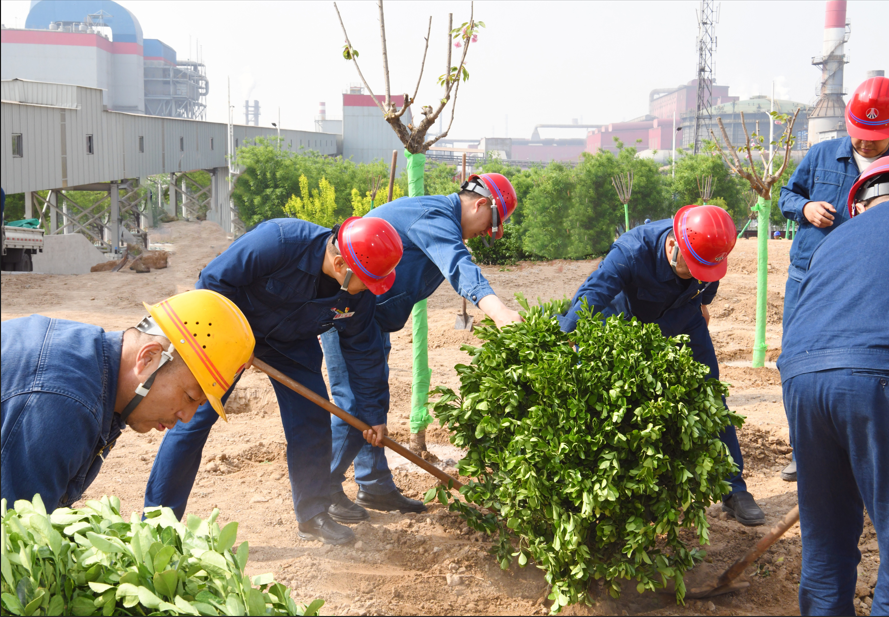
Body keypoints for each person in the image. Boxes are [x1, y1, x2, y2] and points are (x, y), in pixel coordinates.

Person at [145, 217, 403, 546]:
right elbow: (213, 282)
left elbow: (364, 352)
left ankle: (313, 514)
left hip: (292, 345)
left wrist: (373, 414)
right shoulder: (279, 241)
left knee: (312, 420)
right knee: (193, 419)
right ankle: (157, 526)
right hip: (229, 333)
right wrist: (234, 343)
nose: (369, 289)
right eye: (367, 282)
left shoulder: (359, 296)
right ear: (340, 264)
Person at [321, 173, 524, 524]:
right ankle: (320, 493)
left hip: (373, 320)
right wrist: (500, 312)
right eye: (489, 224)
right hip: (346, 313)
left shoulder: (440, 220)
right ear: (479, 205)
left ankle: (374, 484)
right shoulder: (434, 217)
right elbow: (460, 266)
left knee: (373, 400)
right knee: (353, 405)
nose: (483, 233)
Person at [777, 156, 889, 615]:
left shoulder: (831, 241)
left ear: (858, 206)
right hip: (881, 377)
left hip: (801, 379)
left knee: (825, 552)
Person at [556, 204, 765, 526]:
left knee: (713, 397)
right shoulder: (631, 251)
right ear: (672, 245)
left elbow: (703, 296)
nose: (697, 274)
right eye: (691, 267)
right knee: (620, 405)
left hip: (683, 320)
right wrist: (566, 336)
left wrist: (699, 314)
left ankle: (734, 491)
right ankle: (626, 492)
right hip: (623, 326)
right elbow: (592, 294)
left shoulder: (710, 251)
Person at [776, 75, 889, 482]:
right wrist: (803, 209)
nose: (865, 143)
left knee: (862, 366)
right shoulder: (820, 155)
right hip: (808, 278)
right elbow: (786, 195)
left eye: (875, 136)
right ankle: (804, 449)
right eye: (859, 133)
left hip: (870, 285)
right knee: (799, 362)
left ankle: (864, 450)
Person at [1, 289, 255, 509]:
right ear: (148, 359)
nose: (186, 418)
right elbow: (16, 538)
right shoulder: (64, 406)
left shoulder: (98, 371)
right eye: (189, 397)